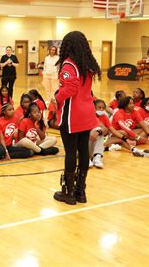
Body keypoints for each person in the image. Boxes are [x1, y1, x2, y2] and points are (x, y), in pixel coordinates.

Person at [52, 31, 101, 206]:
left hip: (72, 114)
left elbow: (70, 89)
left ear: (68, 45)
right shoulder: (87, 63)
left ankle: (69, 193)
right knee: (83, 151)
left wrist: (56, 98)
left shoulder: (69, 65)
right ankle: (81, 191)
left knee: (71, 152)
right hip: (87, 112)